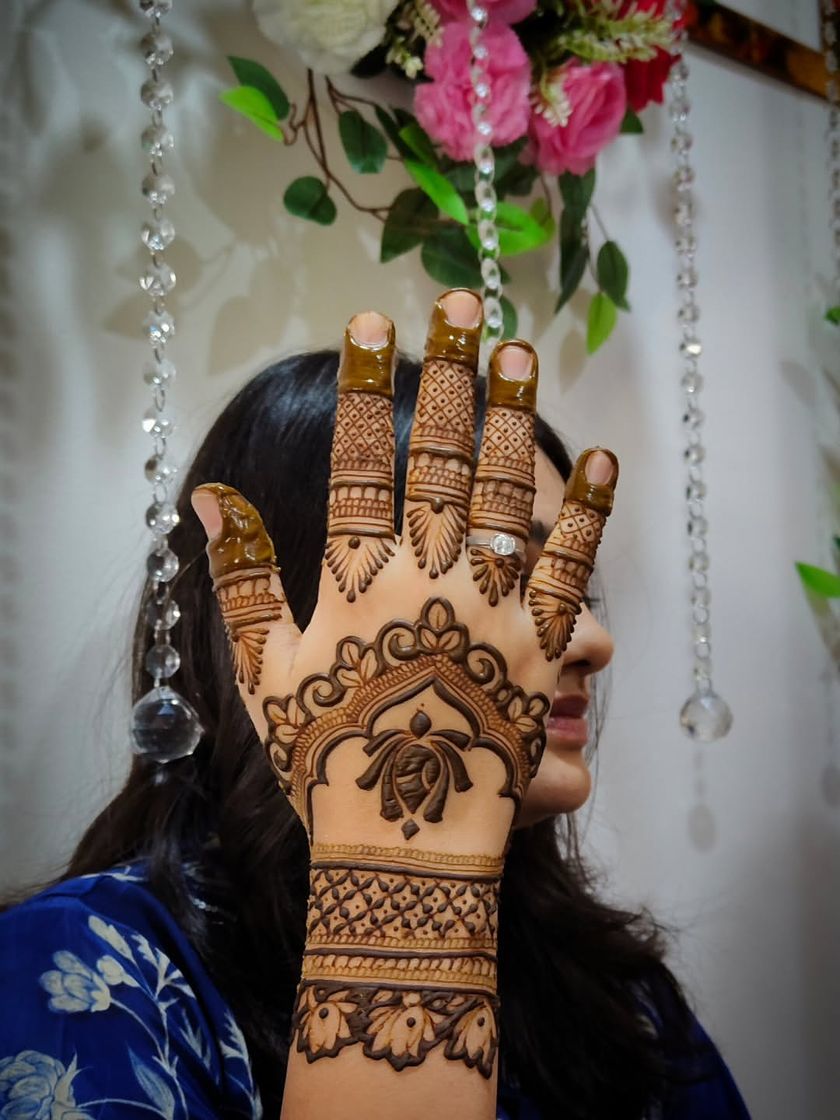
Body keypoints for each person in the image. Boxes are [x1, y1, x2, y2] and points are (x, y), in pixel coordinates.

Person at [0, 291, 750, 1119]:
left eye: (574, 585)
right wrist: (406, 881)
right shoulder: (89, 971)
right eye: (507, 584)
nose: (594, 641)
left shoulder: (616, 994)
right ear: (270, 623)